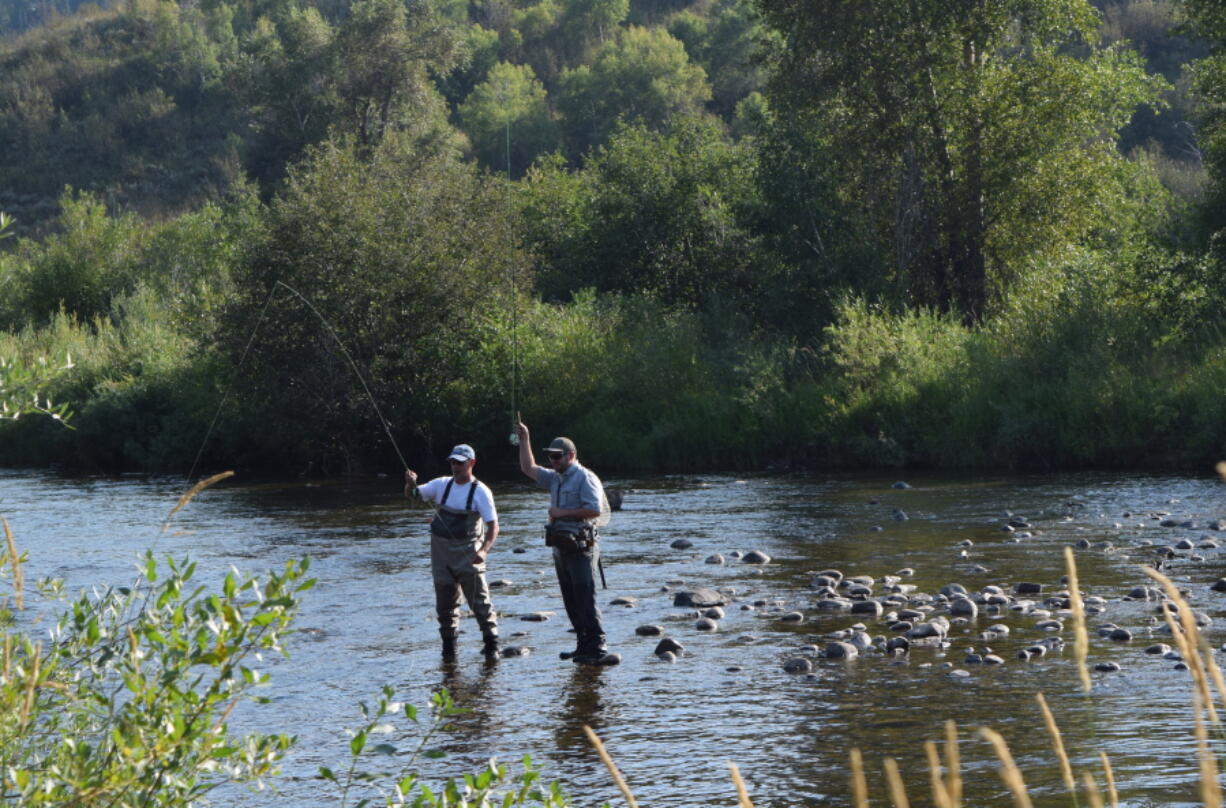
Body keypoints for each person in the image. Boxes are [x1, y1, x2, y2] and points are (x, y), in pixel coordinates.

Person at [514, 418, 616, 666]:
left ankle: (598, 646)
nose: (553, 461)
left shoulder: (584, 477)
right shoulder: (555, 477)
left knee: (585, 596)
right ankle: (582, 646)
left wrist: (561, 513)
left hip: (582, 547)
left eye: (557, 457)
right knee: (570, 599)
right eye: (550, 457)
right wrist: (525, 438)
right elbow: (529, 468)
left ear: (571, 455)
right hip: (560, 547)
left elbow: (595, 510)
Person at [405, 444, 500, 659]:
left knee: (480, 603)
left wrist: (484, 551)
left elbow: (494, 526)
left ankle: (492, 646)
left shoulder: (481, 492)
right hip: (441, 557)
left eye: (460, 463)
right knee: (445, 606)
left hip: (469, 555)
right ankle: (449, 650)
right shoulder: (441, 485)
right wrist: (409, 483)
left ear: (471, 463)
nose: (455, 467)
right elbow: (413, 495)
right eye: (452, 462)